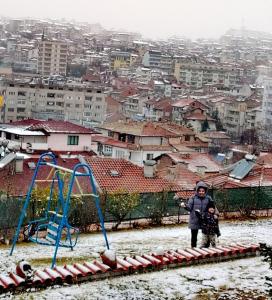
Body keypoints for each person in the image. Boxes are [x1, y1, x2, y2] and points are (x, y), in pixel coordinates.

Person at [181, 181, 217, 248]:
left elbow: (213, 207)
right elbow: (189, 207)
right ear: (197, 190)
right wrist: (185, 206)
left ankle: (206, 248)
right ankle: (193, 248)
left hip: (205, 220)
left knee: (207, 235)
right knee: (194, 237)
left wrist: (215, 214)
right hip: (194, 220)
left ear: (205, 191)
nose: (201, 192)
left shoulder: (208, 198)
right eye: (199, 191)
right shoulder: (193, 198)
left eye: (203, 191)